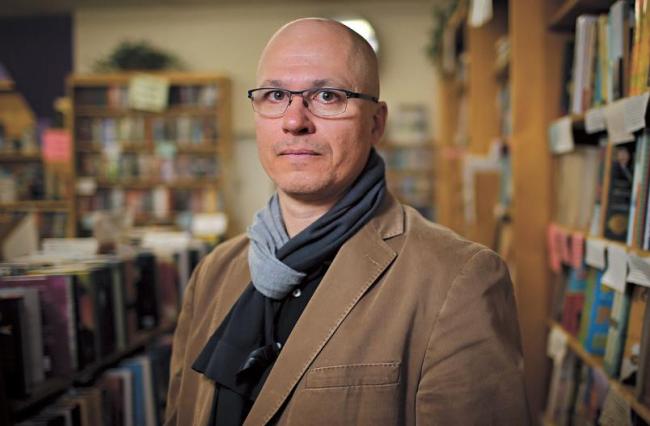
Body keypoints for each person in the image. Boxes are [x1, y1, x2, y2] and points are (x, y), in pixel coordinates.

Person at [165, 18, 530, 425]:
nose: (294, 121)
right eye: (275, 95)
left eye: (326, 95)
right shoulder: (214, 273)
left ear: (376, 122)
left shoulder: (458, 278)